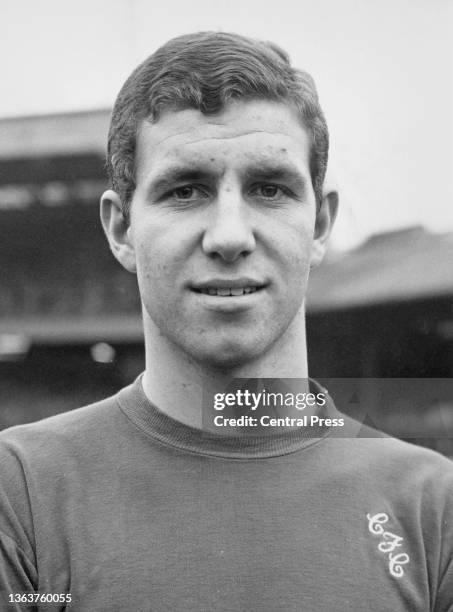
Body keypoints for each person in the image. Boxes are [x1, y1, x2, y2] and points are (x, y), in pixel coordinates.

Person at [0, 31, 452, 612]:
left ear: (319, 225)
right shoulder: (22, 494)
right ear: (121, 230)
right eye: (185, 191)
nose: (231, 235)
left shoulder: (431, 511)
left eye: (270, 188)